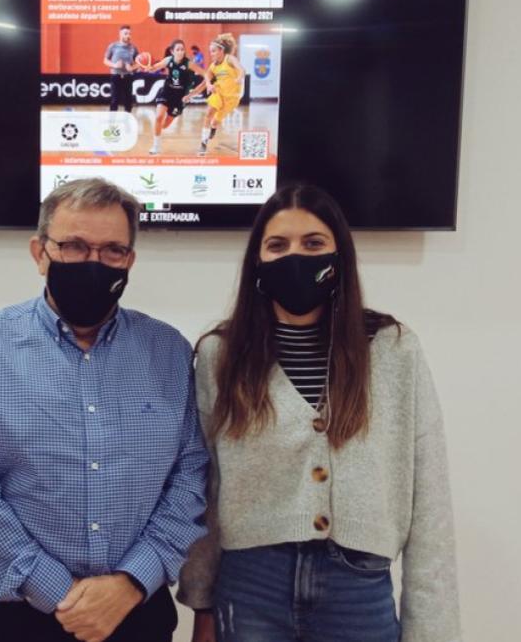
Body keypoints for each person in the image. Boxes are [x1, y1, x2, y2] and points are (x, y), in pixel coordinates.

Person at [177, 182, 461, 642]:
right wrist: (201, 604)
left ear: (339, 256)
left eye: (313, 243)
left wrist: (433, 630)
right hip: (251, 583)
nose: (296, 256)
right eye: (278, 245)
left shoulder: (393, 350)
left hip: (357, 586)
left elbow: (429, 499)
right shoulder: (221, 354)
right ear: (258, 261)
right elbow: (206, 489)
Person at [0, 178, 209, 642]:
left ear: (130, 260)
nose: (93, 263)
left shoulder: (169, 351)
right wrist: (59, 592)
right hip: (8, 613)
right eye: (74, 247)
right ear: (39, 253)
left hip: (133, 612)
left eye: (112, 251)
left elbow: (191, 476)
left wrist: (127, 585)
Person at [186, 34, 244, 157]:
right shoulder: (213, 67)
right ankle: (203, 143)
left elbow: (241, 69)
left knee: (215, 122)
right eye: (210, 51)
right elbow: (202, 85)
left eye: (213, 51)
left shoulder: (229, 59)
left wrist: (239, 76)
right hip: (219, 93)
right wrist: (190, 95)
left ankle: (213, 128)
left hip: (232, 98)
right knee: (209, 113)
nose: (211, 54)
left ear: (221, 51)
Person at [143, 39, 200, 155]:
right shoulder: (168, 60)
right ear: (172, 51)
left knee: (165, 125)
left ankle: (160, 129)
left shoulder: (189, 63)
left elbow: (204, 73)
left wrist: (206, 84)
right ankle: (156, 146)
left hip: (180, 97)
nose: (180, 52)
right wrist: (149, 68)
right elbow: (155, 67)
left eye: (182, 50)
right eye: (177, 49)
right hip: (167, 91)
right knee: (159, 117)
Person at [103, 26, 141, 114]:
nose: (128, 36)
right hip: (116, 77)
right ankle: (112, 124)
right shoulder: (113, 46)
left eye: (129, 34)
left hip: (128, 77)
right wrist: (115, 65)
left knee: (128, 101)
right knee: (114, 100)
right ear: (120, 34)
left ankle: (127, 123)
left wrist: (132, 68)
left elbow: (139, 63)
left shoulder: (133, 48)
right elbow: (105, 60)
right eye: (126, 33)